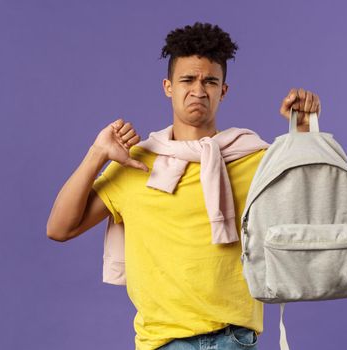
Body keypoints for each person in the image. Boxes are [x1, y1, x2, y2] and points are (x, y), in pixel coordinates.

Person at [46, 22, 321, 350]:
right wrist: (97, 154)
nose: (199, 90)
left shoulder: (254, 158)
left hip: (234, 339)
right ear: (168, 86)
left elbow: (311, 208)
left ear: (224, 90)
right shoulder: (136, 163)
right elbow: (60, 228)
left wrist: (304, 133)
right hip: (163, 342)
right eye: (187, 79)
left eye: (210, 81)